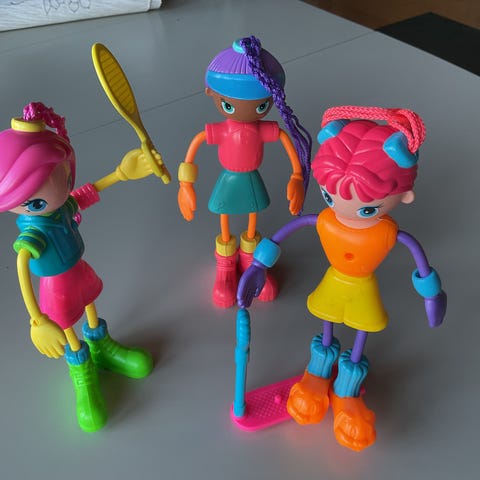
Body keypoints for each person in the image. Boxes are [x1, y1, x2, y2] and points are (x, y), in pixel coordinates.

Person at [237, 105, 447, 451]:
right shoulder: (326, 221)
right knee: (327, 326)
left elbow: (419, 261)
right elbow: (279, 238)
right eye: (329, 196)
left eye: (367, 208)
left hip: (363, 289)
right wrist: (259, 265)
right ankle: (317, 374)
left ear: (405, 196)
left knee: (360, 334)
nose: (344, 210)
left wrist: (432, 294)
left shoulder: (386, 233)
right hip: (334, 284)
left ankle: (347, 391)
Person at [0, 102, 163, 432]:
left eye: (61, 176)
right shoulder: (33, 233)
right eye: (34, 197)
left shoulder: (61, 207)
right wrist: (37, 320)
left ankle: (102, 347)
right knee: (68, 328)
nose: (58, 189)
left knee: (89, 304)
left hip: (78, 270)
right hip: (55, 286)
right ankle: (82, 371)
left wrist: (122, 172)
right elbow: (21, 264)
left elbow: (85, 195)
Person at [177, 35, 311, 308]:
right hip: (228, 180)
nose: (248, 112)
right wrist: (185, 184)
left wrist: (298, 177)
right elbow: (196, 143)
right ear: (210, 93)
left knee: (252, 218)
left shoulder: (264, 129)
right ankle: (226, 266)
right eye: (228, 104)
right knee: (224, 219)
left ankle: (250, 260)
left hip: (251, 178)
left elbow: (287, 140)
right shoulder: (222, 130)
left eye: (262, 105)